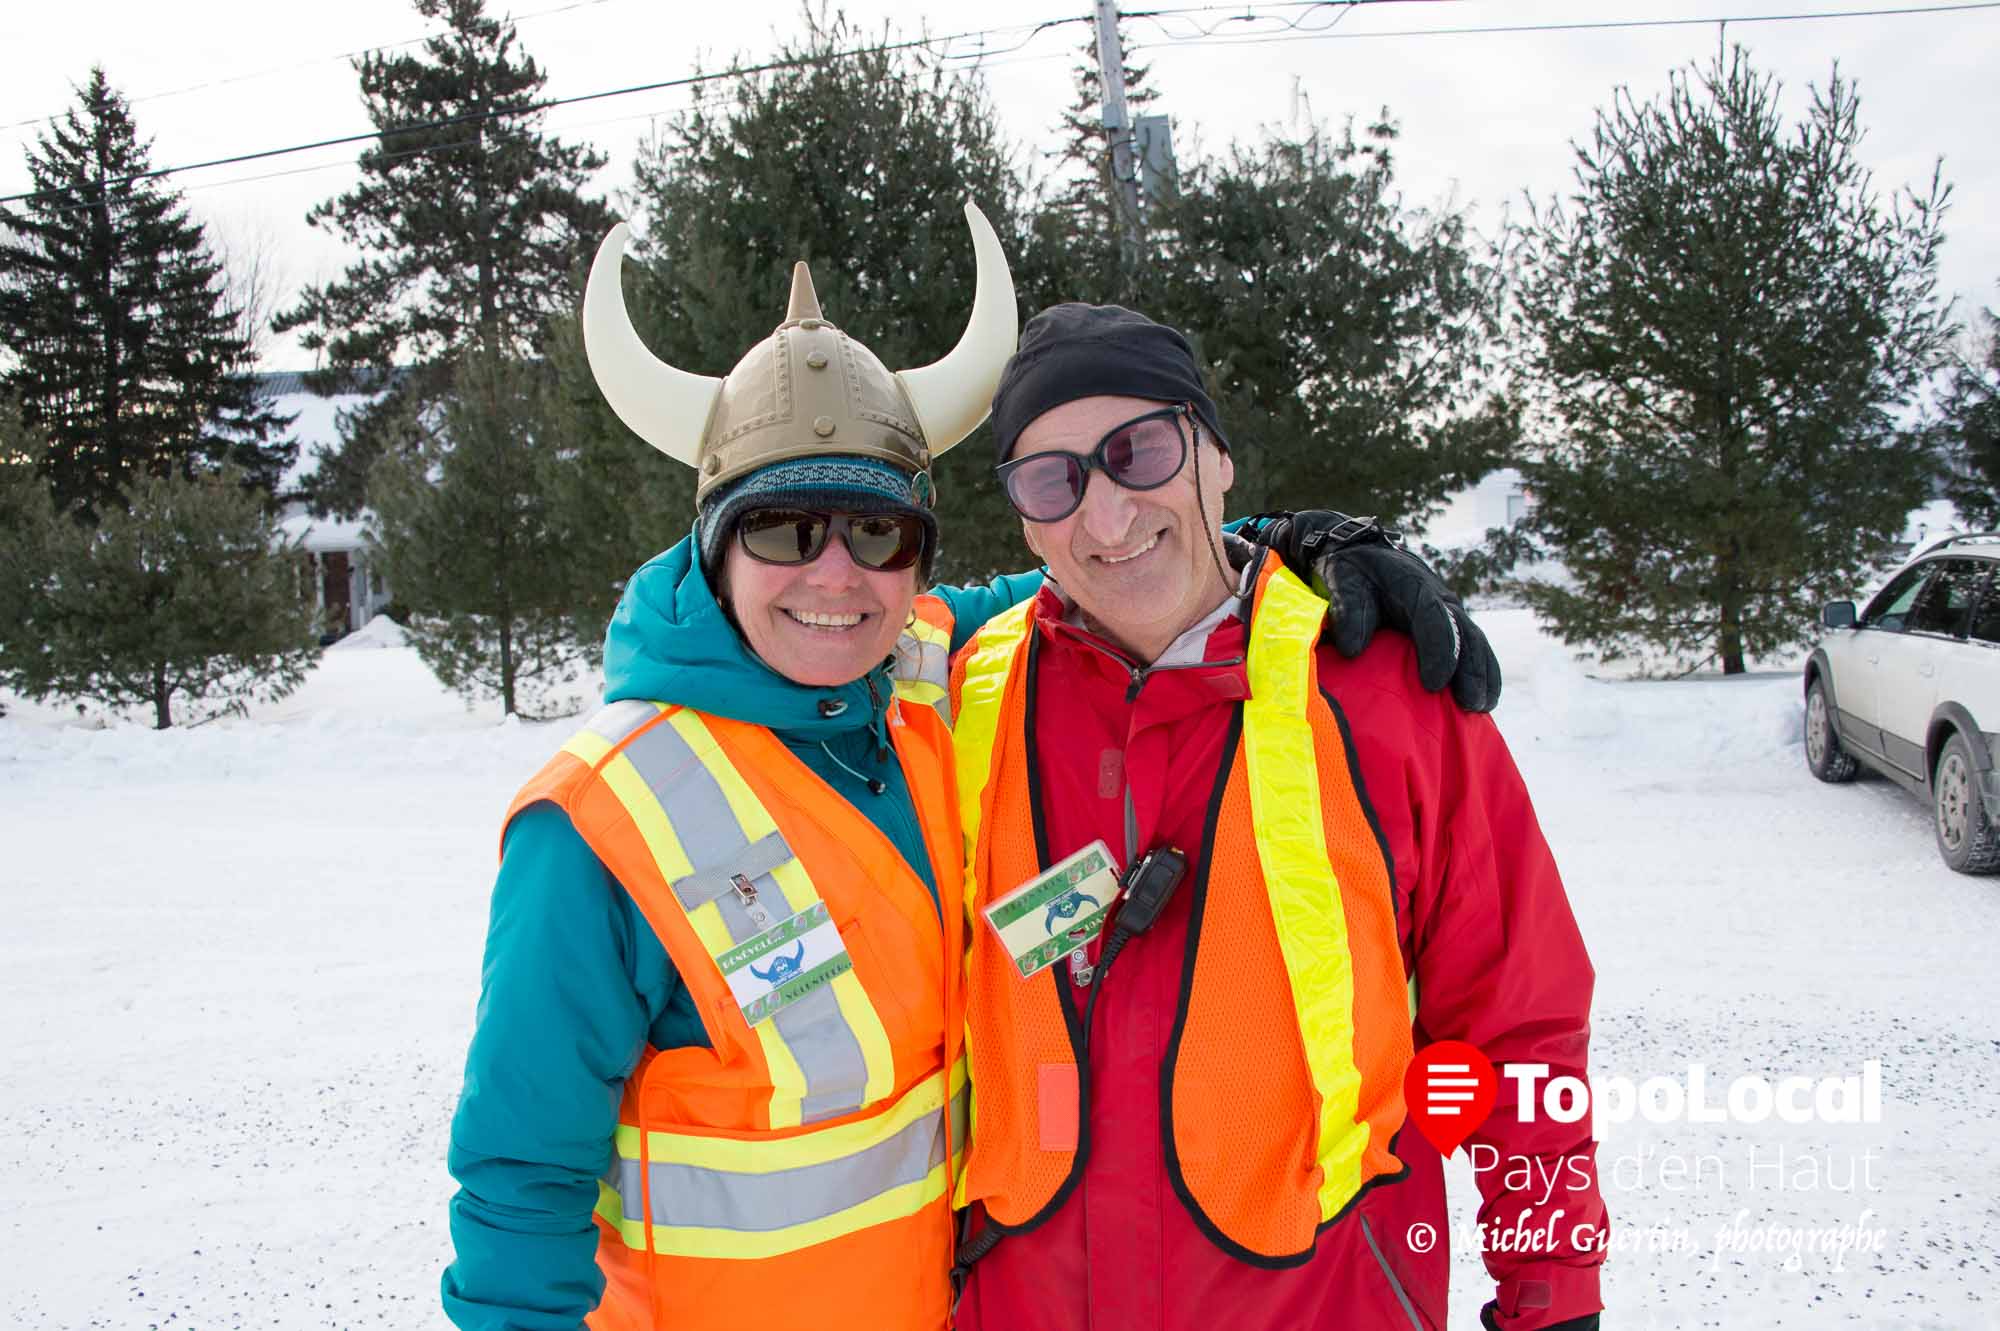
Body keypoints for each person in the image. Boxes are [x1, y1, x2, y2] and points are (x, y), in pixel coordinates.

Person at [441, 208, 1503, 1331]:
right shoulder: (603, 814)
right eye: (786, 531)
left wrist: (1291, 543)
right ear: (714, 544)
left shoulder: (924, 687)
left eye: (878, 533)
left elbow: (1114, 565)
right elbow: (519, 1181)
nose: (836, 577)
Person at [948, 304, 1605, 1331]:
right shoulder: (958, 698)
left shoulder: (1382, 693)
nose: (1106, 515)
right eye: (1053, 478)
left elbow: (1520, 1024)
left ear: (1215, 456)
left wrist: (1551, 1289)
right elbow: (779, 600)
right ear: (1024, 518)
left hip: (1327, 1300)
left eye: (1140, 452)